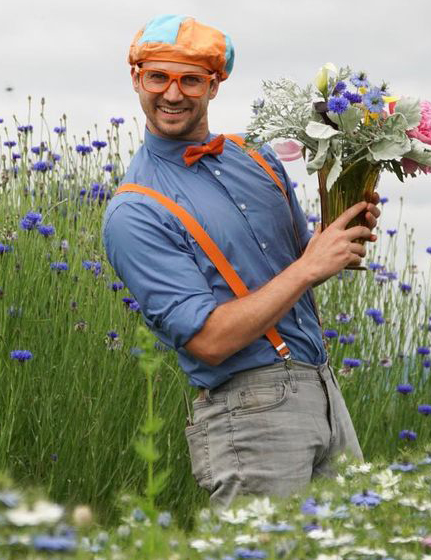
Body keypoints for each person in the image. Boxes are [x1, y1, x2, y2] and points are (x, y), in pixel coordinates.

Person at [101, 14, 381, 508]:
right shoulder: (135, 211)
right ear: (136, 79)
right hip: (248, 414)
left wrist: (344, 221)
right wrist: (309, 267)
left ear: (214, 86)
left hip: (323, 388)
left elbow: (296, 267)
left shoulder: (258, 159)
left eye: (190, 79)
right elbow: (210, 341)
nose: (172, 94)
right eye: (157, 77)